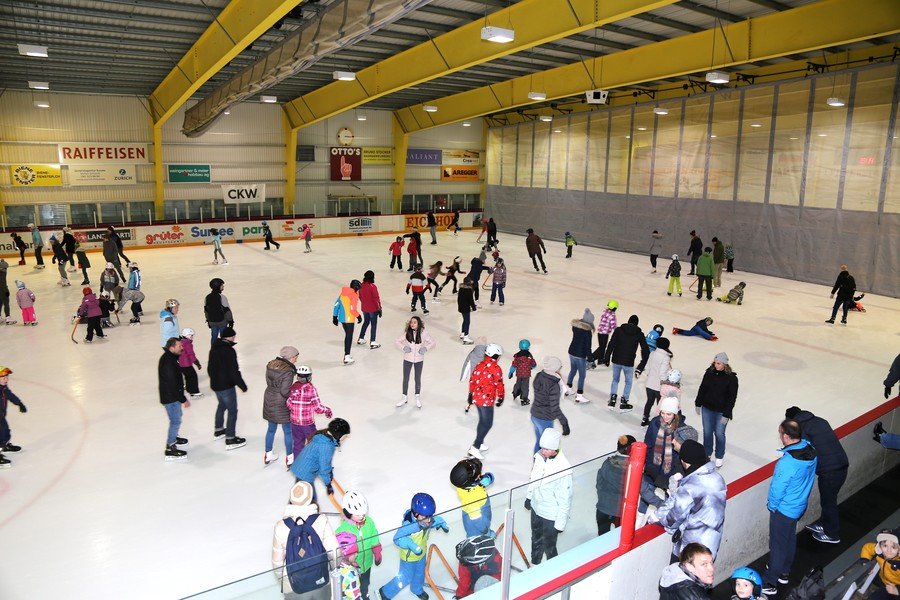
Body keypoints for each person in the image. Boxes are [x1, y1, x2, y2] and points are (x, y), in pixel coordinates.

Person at [762, 419, 818, 596]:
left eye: (780, 434)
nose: (780, 437)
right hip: (798, 505)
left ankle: (771, 581)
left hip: (784, 509)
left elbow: (778, 488)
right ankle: (784, 572)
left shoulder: (787, 463)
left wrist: (772, 506)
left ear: (786, 436)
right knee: (789, 539)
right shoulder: (811, 450)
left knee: (778, 545)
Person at [649, 439, 726, 560]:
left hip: (691, 547)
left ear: (684, 462)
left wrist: (657, 519)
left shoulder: (691, 486)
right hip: (711, 541)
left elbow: (674, 518)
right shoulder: (718, 478)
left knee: (678, 576)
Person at [785, 406, 849, 545]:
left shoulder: (802, 430)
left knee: (828, 502)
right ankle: (824, 523)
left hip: (830, 471)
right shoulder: (820, 421)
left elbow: (804, 454)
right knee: (828, 499)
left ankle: (832, 533)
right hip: (842, 463)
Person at [271, 481, 339, 600]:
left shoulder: (280, 526)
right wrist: (333, 568)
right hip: (320, 579)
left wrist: (285, 581)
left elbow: (277, 564)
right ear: (311, 498)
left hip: (294, 586)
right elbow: (335, 552)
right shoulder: (321, 520)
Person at [379, 493, 449, 600]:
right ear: (416, 514)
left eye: (430, 516)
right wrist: (411, 545)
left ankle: (417, 589)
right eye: (426, 517)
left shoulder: (425, 521)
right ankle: (386, 592)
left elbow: (435, 521)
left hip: (422, 554)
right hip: (408, 557)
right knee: (405, 577)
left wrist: (442, 523)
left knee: (420, 574)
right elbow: (397, 538)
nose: (429, 520)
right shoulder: (409, 526)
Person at [525, 428, 573, 565]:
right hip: (536, 507)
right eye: (542, 447)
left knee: (549, 546)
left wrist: (560, 523)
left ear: (555, 449)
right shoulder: (540, 457)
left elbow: (565, 498)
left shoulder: (563, 468)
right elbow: (533, 477)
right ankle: (535, 564)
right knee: (535, 538)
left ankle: (553, 571)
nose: (542, 451)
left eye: (546, 449)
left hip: (551, 514)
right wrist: (529, 496)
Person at [335, 491, 383, 600]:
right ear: (348, 513)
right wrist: (348, 561)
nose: (362, 516)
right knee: (353, 588)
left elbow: (374, 537)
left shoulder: (369, 522)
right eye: (358, 514)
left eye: (363, 513)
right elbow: (340, 552)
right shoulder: (342, 531)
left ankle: (365, 595)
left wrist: (377, 551)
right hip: (352, 569)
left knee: (365, 584)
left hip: (367, 564)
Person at [695, 352, 738, 468]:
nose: (716, 365)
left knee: (719, 434)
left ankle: (719, 455)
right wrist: (698, 403)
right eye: (715, 363)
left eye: (718, 363)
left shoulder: (731, 378)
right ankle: (707, 453)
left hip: (721, 411)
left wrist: (726, 414)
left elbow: (732, 398)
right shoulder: (709, 372)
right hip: (707, 408)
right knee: (707, 432)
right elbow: (702, 388)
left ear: (724, 364)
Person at [208, 326, 248, 450]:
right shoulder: (229, 351)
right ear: (230, 337)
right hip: (226, 386)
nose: (234, 338)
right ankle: (230, 438)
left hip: (216, 385)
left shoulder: (214, 347)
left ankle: (219, 430)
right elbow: (233, 371)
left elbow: (210, 368)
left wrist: (214, 380)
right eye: (234, 336)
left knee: (222, 405)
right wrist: (242, 385)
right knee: (232, 411)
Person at [291, 418, 350, 498]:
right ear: (338, 435)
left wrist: (329, 472)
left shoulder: (322, 436)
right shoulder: (327, 446)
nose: (345, 437)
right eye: (345, 435)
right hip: (305, 472)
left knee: (299, 495)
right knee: (308, 498)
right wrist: (327, 483)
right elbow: (324, 468)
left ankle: (295, 506)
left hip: (300, 467)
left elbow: (322, 461)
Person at [604, 314, 650, 413]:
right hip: (628, 362)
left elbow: (611, 343)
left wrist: (607, 357)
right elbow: (645, 349)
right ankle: (624, 402)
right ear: (637, 324)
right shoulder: (639, 334)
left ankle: (612, 399)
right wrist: (643, 363)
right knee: (628, 382)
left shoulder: (618, 330)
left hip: (616, 360)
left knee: (615, 379)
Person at [644, 397, 685, 505]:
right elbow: (648, 443)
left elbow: (681, 452)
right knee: (647, 490)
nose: (665, 417)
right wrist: (646, 462)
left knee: (669, 496)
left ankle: (666, 514)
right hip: (653, 464)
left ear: (675, 414)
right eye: (663, 413)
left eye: (669, 414)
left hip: (670, 469)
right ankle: (641, 513)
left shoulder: (681, 429)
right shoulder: (655, 422)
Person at [467, 343, 504, 460]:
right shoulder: (496, 369)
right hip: (486, 401)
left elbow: (472, 380)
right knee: (487, 423)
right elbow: (499, 384)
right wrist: (501, 396)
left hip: (477, 398)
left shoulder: (479, 364)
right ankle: (475, 446)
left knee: (482, 421)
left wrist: (470, 394)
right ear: (495, 356)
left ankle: (480, 442)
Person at [262, 346, 298, 467]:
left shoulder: (271, 364)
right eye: (295, 357)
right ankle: (290, 457)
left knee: (271, 429)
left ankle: (268, 453)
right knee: (288, 431)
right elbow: (284, 391)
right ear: (291, 357)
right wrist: (295, 395)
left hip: (269, 397)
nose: (296, 360)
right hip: (281, 403)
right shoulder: (288, 371)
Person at [287, 365, 332, 460]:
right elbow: (318, 408)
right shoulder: (311, 389)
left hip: (295, 423)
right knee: (314, 444)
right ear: (309, 377)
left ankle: (298, 466)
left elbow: (288, 403)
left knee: (298, 444)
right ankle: (314, 465)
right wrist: (327, 410)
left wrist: (296, 409)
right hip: (307, 424)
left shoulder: (294, 387)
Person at [595, 434, 635, 534]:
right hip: (621, 512)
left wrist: (603, 496)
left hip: (603, 508)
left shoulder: (607, 463)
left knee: (602, 538)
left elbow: (599, 483)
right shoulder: (632, 468)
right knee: (620, 538)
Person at [158, 338, 190, 461]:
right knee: (175, 421)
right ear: (171, 348)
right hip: (170, 397)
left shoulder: (170, 358)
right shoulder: (168, 362)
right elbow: (172, 383)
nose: (181, 348)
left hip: (172, 395)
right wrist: (183, 399)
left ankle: (174, 438)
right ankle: (170, 446)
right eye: (179, 346)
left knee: (177, 417)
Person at [531, 356, 570, 453]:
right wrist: (564, 423)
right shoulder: (553, 385)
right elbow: (555, 408)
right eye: (559, 367)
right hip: (545, 418)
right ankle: (542, 465)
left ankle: (537, 463)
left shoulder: (539, 375)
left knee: (540, 441)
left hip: (535, 415)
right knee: (547, 446)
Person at [395, 316, 436, 408]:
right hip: (407, 359)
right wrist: (403, 348)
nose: (412, 324)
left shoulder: (424, 333)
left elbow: (433, 342)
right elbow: (397, 341)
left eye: (414, 322)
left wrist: (426, 348)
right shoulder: (407, 333)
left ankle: (417, 397)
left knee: (417, 378)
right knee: (406, 378)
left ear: (418, 324)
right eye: (411, 322)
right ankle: (404, 397)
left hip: (419, 360)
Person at [450, 458, 495, 537]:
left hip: (483, 517)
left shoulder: (465, 485)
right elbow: (478, 522)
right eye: (478, 475)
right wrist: (487, 532)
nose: (480, 476)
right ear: (473, 480)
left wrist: (488, 477)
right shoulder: (470, 501)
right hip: (476, 532)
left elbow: (483, 477)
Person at [859, 528, 900, 600]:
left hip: (894, 586)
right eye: (885, 546)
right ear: (880, 545)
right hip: (883, 578)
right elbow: (867, 548)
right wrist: (865, 561)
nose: (888, 550)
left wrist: (897, 591)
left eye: (893, 547)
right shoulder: (880, 551)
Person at [563, 309, 594, 404]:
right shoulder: (587, 332)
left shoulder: (575, 327)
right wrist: (591, 358)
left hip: (571, 351)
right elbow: (588, 347)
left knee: (573, 370)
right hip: (580, 355)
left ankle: (568, 389)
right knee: (582, 375)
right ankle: (579, 396)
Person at [0, 366, 28, 469]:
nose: (6, 380)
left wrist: (19, 404)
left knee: (5, 432)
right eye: (3, 378)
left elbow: (10, 396)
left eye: (7, 377)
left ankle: (4, 446)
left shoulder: (3, 388)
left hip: (1, 416)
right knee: (2, 432)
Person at [642, 338, 672, 426]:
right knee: (661, 405)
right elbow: (662, 373)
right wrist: (666, 382)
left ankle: (644, 419)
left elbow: (647, 367)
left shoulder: (652, 353)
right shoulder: (665, 357)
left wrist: (649, 375)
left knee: (649, 402)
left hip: (649, 383)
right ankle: (659, 423)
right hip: (659, 386)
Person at [332, 279, 362, 365]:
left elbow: (336, 305)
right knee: (349, 337)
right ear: (356, 288)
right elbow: (353, 309)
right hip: (349, 320)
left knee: (347, 335)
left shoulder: (343, 293)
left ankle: (347, 355)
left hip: (342, 319)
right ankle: (347, 355)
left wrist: (334, 316)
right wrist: (358, 316)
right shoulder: (354, 295)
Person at [204, 278, 233, 346]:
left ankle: (213, 351)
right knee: (224, 337)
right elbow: (227, 310)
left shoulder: (207, 297)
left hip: (212, 321)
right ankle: (223, 351)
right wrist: (231, 320)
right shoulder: (222, 297)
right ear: (218, 287)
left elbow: (206, 311)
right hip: (222, 321)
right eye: (222, 285)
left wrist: (208, 320)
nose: (223, 286)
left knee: (214, 336)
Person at [334, 532, 363, 600]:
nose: (356, 555)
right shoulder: (351, 574)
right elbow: (355, 597)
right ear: (345, 555)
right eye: (354, 553)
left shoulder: (335, 565)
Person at [357, 270, 382, 349]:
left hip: (364, 308)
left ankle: (361, 338)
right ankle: (373, 341)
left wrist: (365, 303)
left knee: (366, 322)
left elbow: (360, 297)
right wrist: (379, 308)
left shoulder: (361, 285)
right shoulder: (372, 286)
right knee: (373, 324)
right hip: (373, 309)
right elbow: (376, 299)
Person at [509, 339, 537, 406]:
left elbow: (514, 365)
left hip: (519, 374)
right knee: (525, 386)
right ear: (528, 347)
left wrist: (511, 372)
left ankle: (515, 392)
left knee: (518, 383)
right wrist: (531, 367)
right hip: (526, 375)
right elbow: (534, 364)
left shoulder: (517, 356)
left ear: (519, 347)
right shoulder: (529, 356)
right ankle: (524, 399)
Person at [590, 300, 618, 367]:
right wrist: (619, 331)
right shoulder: (612, 315)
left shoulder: (605, 312)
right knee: (602, 347)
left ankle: (600, 360)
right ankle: (591, 358)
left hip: (599, 332)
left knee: (602, 346)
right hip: (604, 334)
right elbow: (613, 326)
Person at [178, 328, 203, 399]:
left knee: (188, 377)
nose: (192, 337)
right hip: (187, 364)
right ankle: (194, 392)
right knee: (193, 377)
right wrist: (197, 363)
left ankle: (189, 388)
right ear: (187, 335)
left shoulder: (181, 342)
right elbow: (191, 354)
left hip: (181, 364)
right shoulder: (188, 344)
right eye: (191, 335)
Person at [457, 277, 477, 345]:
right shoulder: (469, 290)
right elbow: (471, 300)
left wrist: (459, 306)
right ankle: (466, 337)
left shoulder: (461, 288)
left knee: (464, 320)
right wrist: (474, 308)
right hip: (466, 308)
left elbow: (458, 299)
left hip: (461, 307)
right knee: (467, 321)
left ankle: (462, 333)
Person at [0, 259, 15, 325]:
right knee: (6, 303)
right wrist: (6, 291)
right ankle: (8, 318)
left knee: (0, 303)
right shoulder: (3, 273)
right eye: (5, 268)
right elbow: (3, 283)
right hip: (2, 290)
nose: (6, 269)